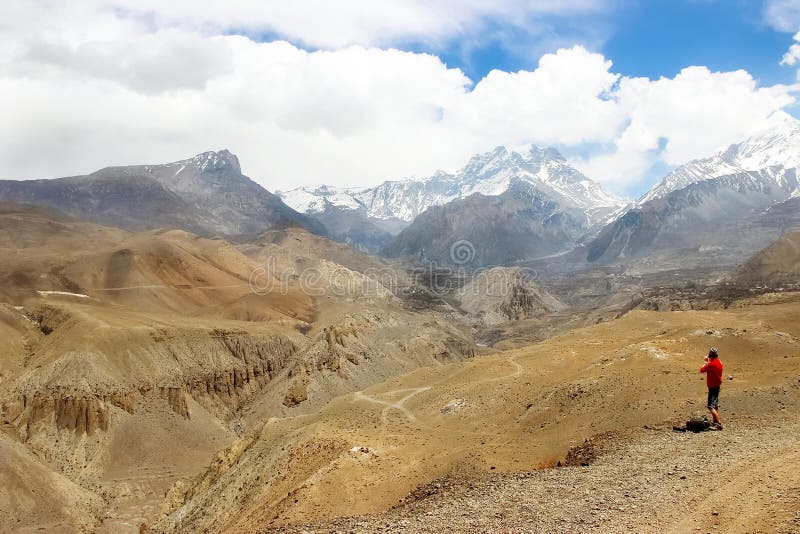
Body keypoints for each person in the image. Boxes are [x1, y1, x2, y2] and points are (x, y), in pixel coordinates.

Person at [700, 347, 724, 430]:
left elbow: (702, 369)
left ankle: (718, 424)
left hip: (712, 386)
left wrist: (706, 362)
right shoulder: (719, 363)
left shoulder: (711, 364)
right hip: (717, 386)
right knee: (715, 405)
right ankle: (715, 422)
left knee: (710, 406)